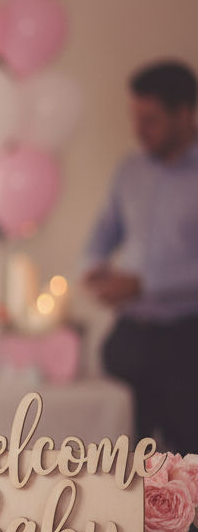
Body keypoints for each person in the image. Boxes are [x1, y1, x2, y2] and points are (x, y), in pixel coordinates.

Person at [81, 60, 198, 459]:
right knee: (122, 465)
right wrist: (92, 266)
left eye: (149, 119)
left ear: (184, 114)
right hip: (129, 338)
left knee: (190, 468)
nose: (138, 130)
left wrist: (144, 283)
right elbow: (103, 232)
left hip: (187, 342)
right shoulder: (129, 170)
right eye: (135, 117)